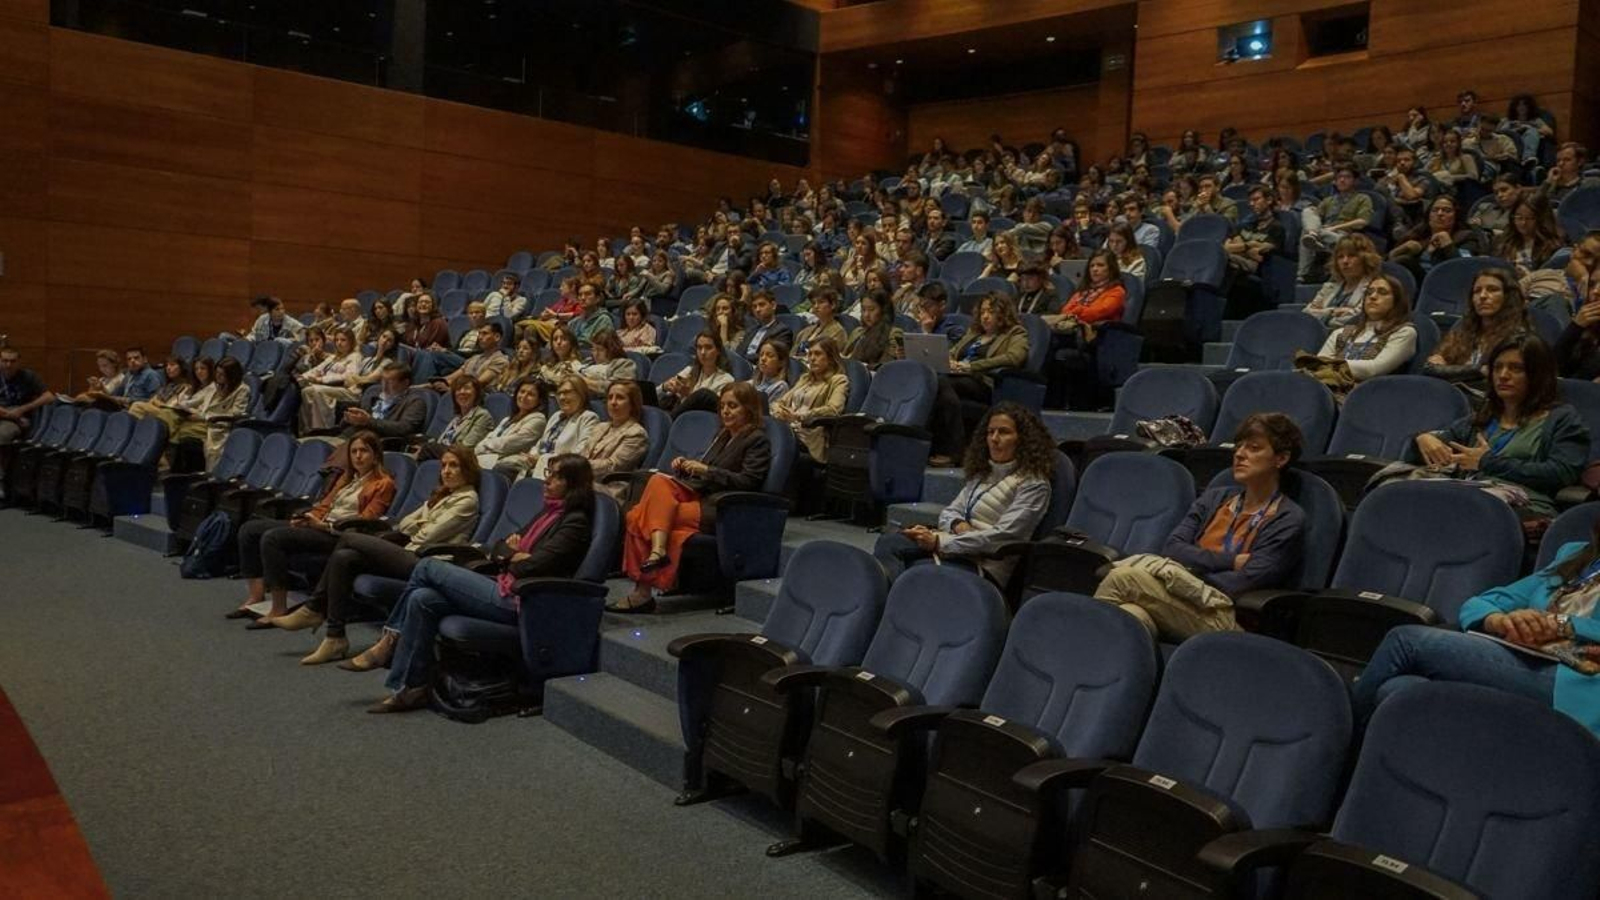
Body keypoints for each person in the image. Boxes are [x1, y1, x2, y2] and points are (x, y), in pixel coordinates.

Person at [364, 454, 595, 713]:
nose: (547, 479)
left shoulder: (575, 522)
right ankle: (410, 688)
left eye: (557, 476)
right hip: (506, 585)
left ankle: (390, 640)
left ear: (573, 484)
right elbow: (500, 546)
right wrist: (511, 554)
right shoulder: (548, 511)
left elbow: (532, 566)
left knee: (428, 567)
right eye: (548, 473)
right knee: (422, 599)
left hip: (526, 602)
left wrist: (512, 556)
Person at [1352, 523, 1600, 738]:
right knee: (1397, 689)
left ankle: (1340, 747)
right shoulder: (1576, 555)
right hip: (1530, 656)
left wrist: (1559, 624)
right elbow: (1485, 601)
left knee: (1405, 641)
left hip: (1580, 678)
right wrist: (1500, 621)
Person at [1095, 414, 1308, 641]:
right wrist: (1230, 561)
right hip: (1182, 597)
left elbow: (1244, 581)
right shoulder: (1215, 498)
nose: (1239, 454)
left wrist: (1187, 573)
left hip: (1228, 616)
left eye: (1254, 448)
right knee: (1132, 616)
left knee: (1124, 578)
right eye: (1239, 446)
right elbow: (1173, 548)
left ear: (1281, 458)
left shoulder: (1287, 519)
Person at [274, 446, 483, 666]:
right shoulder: (441, 496)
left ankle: (314, 608)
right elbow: (404, 523)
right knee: (345, 557)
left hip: (428, 563)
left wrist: (419, 524)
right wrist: (420, 524)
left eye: (454, 466)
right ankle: (335, 636)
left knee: (348, 539)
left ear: (468, 470)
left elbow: (426, 537)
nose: (446, 471)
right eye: (444, 466)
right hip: (410, 552)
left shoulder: (467, 500)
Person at [609, 383, 772, 614]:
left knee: (638, 516)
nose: (725, 411)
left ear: (748, 409)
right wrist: (686, 468)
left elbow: (748, 481)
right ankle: (657, 555)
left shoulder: (757, 440)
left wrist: (705, 470)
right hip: (698, 496)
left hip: (722, 508)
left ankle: (642, 592)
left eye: (732, 406)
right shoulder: (723, 436)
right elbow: (706, 473)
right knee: (655, 485)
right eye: (723, 406)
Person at [873, 402, 1054, 586]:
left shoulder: (1034, 484)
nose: (994, 438)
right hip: (957, 549)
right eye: (990, 432)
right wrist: (958, 525)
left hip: (986, 566)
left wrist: (938, 542)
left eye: (1004, 432)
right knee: (891, 540)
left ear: (1022, 439)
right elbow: (949, 512)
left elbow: (1002, 537)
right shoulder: (983, 472)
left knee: (898, 554)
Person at [228, 430, 396, 625]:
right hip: (319, 526)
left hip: (340, 535)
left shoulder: (384, 484)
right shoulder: (347, 479)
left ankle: (278, 608)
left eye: (364, 451)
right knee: (250, 529)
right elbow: (324, 505)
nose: (358, 456)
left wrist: (324, 525)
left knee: (273, 538)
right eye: (353, 451)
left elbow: (366, 521)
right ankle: (256, 597)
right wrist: (307, 518)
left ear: (375, 455)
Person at [1413, 334, 1588, 520]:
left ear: (1537, 373)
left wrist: (1488, 462)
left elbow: (1561, 473)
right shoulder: (1487, 415)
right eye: (1497, 367)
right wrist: (1423, 438)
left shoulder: (1562, 419)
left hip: (1525, 509)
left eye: (1516, 368)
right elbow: (1443, 441)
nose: (1503, 375)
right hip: (1468, 498)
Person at [928, 293, 1031, 466]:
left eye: (991, 311)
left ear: (1003, 313)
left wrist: (971, 366)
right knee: (934, 383)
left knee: (942, 383)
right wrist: (950, 361)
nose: (985, 316)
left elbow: (1014, 357)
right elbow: (954, 351)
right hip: (957, 379)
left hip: (985, 382)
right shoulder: (974, 333)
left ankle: (955, 451)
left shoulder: (1015, 332)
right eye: (982, 311)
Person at [1306, 273, 1418, 396]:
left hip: (1372, 397)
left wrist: (1332, 365)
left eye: (1382, 292)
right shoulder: (1341, 332)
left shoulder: (1404, 332)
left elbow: (1373, 369)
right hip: (1331, 391)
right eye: (1369, 292)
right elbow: (1319, 364)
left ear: (1397, 301)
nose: (1373, 296)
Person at [1045, 249, 1128, 409]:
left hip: (1098, 340)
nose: (1095, 269)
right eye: (1092, 266)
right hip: (1072, 334)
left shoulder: (1117, 291)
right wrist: (1076, 313)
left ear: (1111, 268)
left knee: (1054, 346)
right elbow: (1065, 311)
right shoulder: (1082, 291)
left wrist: (1075, 313)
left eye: (1100, 265)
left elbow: (1098, 312)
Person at [1425, 269, 1532, 385]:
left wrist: (1449, 370)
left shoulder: (1518, 334)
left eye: (1492, 290)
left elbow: (1493, 376)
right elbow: (1429, 368)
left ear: (1508, 296)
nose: (1482, 296)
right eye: (1477, 291)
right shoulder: (1463, 328)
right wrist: (1478, 370)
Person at [497, 375, 598, 481]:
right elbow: (540, 443)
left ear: (581, 394)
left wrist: (542, 459)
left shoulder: (588, 417)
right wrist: (532, 455)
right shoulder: (556, 416)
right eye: (559, 393)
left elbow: (580, 455)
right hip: (537, 465)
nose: (562, 397)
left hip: (561, 473)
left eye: (567, 392)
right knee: (502, 468)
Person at [771, 339, 849, 462]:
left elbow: (833, 409)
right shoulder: (805, 379)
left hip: (808, 436)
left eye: (817, 354)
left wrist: (799, 416)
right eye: (810, 354)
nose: (812, 358)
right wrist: (779, 411)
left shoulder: (838, 380)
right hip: (788, 427)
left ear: (830, 358)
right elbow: (779, 402)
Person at [1300, 165, 1374, 281]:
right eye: (1339, 177)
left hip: (1344, 236)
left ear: (1355, 181)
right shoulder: (1329, 200)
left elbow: (1362, 222)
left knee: (1313, 234)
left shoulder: (1362, 198)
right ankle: (1303, 272)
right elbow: (1315, 217)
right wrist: (1314, 214)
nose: (1342, 180)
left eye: (1347, 177)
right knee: (1308, 211)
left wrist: (1335, 228)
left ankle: (1314, 240)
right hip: (1323, 232)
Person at [1388, 195, 1485, 283]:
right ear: (1429, 216)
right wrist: (1399, 250)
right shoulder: (1418, 235)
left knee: (1404, 261)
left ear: (1456, 216)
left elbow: (1466, 265)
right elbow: (1387, 261)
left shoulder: (1466, 236)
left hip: (1445, 283)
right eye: (1435, 210)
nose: (1440, 214)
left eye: (1447, 210)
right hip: (1414, 283)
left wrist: (1448, 245)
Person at [585, 381, 650, 500]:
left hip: (609, 489)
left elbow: (612, 466)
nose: (613, 402)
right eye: (610, 397)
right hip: (586, 480)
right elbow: (584, 454)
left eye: (620, 397)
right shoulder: (600, 427)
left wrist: (579, 466)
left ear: (632, 404)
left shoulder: (636, 433)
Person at [335, 362, 428, 444]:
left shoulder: (415, 402)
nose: (384, 386)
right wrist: (349, 419)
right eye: (383, 380)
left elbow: (404, 428)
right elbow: (351, 422)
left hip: (375, 444)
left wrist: (369, 421)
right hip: (349, 436)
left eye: (390, 382)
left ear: (405, 383)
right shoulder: (373, 392)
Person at [1303, 234, 1382, 328]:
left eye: (1352, 256)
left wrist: (1321, 314)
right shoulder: (1329, 287)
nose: (1345, 261)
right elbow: (1306, 315)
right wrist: (1332, 311)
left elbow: (1358, 319)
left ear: (1366, 258)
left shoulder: (1374, 287)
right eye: (1340, 257)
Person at [296, 328, 367, 431]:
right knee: (306, 391)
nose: (339, 343)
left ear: (351, 342)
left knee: (317, 390)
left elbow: (349, 376)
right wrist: (302, 377)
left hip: (349, 391)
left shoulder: (355, 356)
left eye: (343, 340)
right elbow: (317, 369)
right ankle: (307, 428)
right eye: (337, 340)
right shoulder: (333, 357)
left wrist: (322, 379)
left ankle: (321, 428)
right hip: (331, 388)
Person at [475, 378, 547, 470]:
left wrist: (485, 445)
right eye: (522, 392)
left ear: (539, 400)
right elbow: (489, 437)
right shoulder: (507, 419)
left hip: (507, 464)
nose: (524, 396)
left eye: (531, 394)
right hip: (488, 457)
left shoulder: (538, 419)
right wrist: (482, 447)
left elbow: (508, 444)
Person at [1495, 196, 1564, 279]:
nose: (1523, 223)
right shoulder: (1501, 241)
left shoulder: (1553, 246)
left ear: (1541, 219)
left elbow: (1552, 277)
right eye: (1519, 217)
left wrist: (1528, 276)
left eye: (1530, 218)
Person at [0, 347, 53, 454]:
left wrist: (23, 409)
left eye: (12, 361)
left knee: (2, 434)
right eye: (5, 361)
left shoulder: (28, 376)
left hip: (15, 420)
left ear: (18, 362)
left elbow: (49, 397)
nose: (8, 365)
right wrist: (10, 415)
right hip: (9, 415)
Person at [424, 378, 493, 456]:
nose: (462, 392)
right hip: (443, 455)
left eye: (467, 388)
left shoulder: (482, 415)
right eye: (458, 389)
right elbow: (442, 441)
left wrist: (432, 448)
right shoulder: (457, 418)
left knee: (427, 449)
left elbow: (466, 447)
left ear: (477, 393)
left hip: (461, 459)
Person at [843, 289, 904, 370]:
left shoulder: (893, 333)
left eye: (871, 310)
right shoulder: (857, 332)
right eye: (863, 309)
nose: (866, 315)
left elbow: (886, 367)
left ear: (883, 310)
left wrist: (861, 366)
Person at [82, 347, 161, 409]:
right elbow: (114, 395)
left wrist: (128, 400)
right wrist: (100, 389)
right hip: (123, 408)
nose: (132, 361)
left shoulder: (151, 375)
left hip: (137, 411)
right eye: (129, 359)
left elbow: (155, 401)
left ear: (145, 359)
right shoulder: (129, 375)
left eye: (136, 358)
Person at [441, 322, 509, 393]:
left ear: (497, 337)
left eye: (485, 333)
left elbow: (479, 383)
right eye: (479, 333)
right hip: (462, 392)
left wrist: (452, 389)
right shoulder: (474, 358)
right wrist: (437, 382)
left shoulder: (500, 360)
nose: (480, 337)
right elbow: (451, 378)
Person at [1556, 279, 1600, 380]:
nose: (1595, 291)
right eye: (1593, 285)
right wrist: (1575, 327)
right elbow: (1552, 368)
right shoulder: (1584, 327)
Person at [127, 357, 195, 421]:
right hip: (157, 410)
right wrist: (155, 402)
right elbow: (152, 400)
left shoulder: (186, 387)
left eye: (172, 365)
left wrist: (156, 402)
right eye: (167, 366)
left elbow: (172, 407)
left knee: (137, 406)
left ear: (181, 368)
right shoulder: (169, 385)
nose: (168, 368)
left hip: (169, 415)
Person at [736, 290, 792, 364]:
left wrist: (743, 359)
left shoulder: (783, 331)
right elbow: (738, 351)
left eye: (761, 305)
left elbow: (773, 357)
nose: (757, 309)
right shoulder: (751, 330)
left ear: (773, 305)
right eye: (754, 306)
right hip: (741, 365)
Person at [579, 330, 637, 394]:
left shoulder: (624, 364)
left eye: (600, 350)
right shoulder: (589, 361)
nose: (595, 354)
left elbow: (612, 387)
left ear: (612, 349)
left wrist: (582, 381)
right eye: (593, 349)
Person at [793, 289, 848, 355]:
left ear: (833, 305)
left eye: (821, 302)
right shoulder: (805, 331)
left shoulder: (839, 332)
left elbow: (830, 358)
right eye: (813, 303)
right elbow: (792, 354)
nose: (816, 306)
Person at [567, 281, 615, 347]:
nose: (583, 298)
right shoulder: (573, 322)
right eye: (580, 295)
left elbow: (603, 347)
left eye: (588, 294)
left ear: (597, 298)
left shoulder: (604, 320)